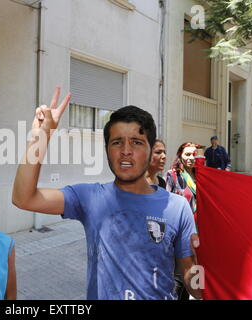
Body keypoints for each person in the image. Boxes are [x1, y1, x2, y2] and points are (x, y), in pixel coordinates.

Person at [12, 87, 201, 300]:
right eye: (117, 142)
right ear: (107, 150)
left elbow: (191, 278)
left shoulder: (177, 206)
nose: (126, 150)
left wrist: (209, 273)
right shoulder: (89, 197)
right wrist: (40, 136)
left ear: (150, 151)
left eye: (137, 142)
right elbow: (23, 197)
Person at [164, 142, 201, 300]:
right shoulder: (172, 175)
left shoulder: (201, 176)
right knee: (179, 276)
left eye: (194, 154)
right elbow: (165, 204)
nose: (191, 158)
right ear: (180, 155)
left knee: (196, 272)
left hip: (197, 232)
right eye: (187, 154)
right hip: (179, 232)